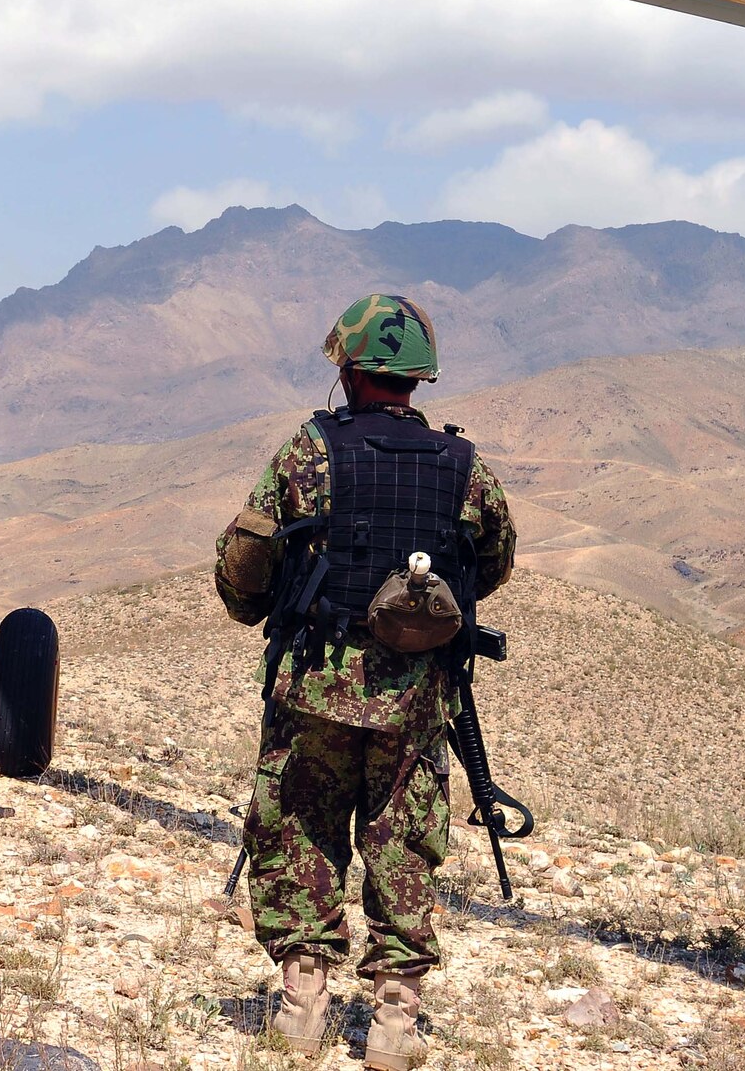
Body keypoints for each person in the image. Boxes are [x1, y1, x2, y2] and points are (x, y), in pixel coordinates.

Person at [214, 294, 516, 1069]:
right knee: (403, 845)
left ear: (347, 369)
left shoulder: (308, 452)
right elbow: (494, 564)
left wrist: (258, 607)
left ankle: (301, 1010)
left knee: (300, 833)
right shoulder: (463, 466)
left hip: (315, 684)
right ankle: (392, 1026)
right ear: (418, 379)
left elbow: (248, 558)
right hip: (416, 697)